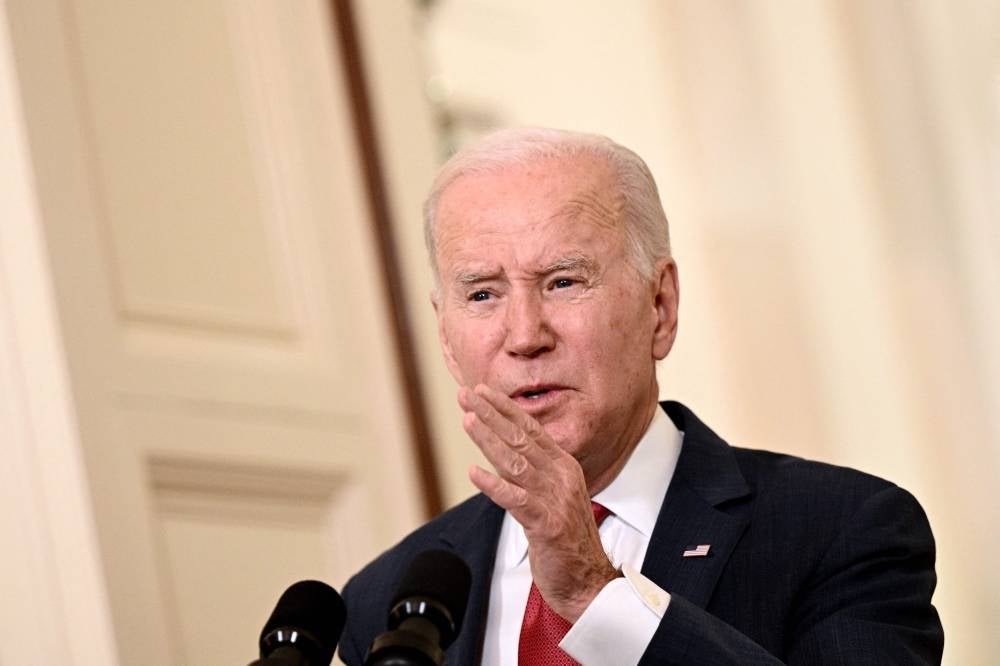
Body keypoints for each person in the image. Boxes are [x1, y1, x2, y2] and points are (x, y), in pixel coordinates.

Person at [338, 127, 943, 665]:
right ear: (445, 337)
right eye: (482, 295)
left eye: (564, 281)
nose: (524, 336)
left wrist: (594, 595)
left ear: (660, 306)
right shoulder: (382, 600)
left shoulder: (841, 531)